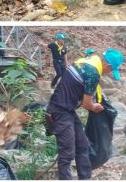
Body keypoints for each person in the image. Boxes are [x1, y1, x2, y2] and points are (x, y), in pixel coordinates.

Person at [46, 51, 108, 180]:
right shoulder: (93, 73)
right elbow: (87, 104)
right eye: (111, 70)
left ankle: (85, 178)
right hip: (59, 110)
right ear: (108, 66)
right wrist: (94, 107)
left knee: (83, 145)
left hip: (67, 110)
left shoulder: (87, 61)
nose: (109, 73)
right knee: (67, 152)